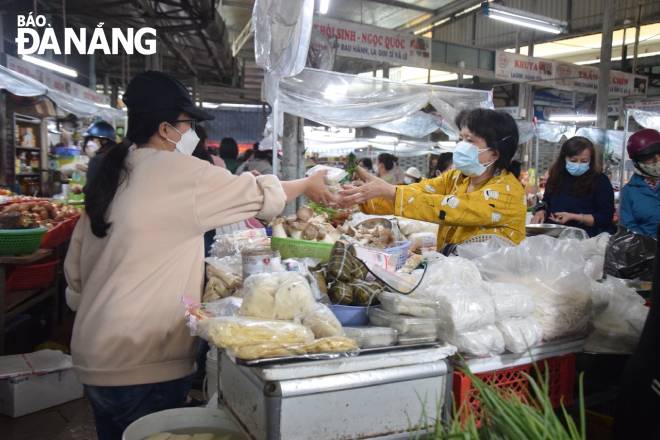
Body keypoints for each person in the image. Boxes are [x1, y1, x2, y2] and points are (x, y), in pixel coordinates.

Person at [64, 71, 334, 440]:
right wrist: (307, 184)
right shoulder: (180, 172)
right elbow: (256, 194)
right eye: (186, 123)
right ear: (165, 128)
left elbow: (74, 274)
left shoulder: (112, 172)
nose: (189, 132)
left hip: (95, 354)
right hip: (145, 360)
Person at [340, 108, 526, 252]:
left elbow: (452, 208)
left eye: (470, 140)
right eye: (460, 138)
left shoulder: (507, 191)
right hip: (458, 271)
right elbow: (419, 192)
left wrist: (389, 191)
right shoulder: (457, 178)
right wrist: (364, 197)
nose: (461, 145)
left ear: (494, 153)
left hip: (494, 280)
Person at [531, 136, 615, 237]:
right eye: (573, 160)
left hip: (587, 239)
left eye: (584, 161)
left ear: (591, 160)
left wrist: (574, 217)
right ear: (564, 158)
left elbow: (605, 218)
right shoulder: (556, 177)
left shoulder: (600, 182)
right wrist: (541, 211)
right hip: (554, 237)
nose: (578, 165)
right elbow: (546, 201)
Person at [619, 128, 660, 238]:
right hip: (645, 250)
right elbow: (628, 228)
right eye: (650, 158)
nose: (658, 160)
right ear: (637, 163)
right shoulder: (629, 191)